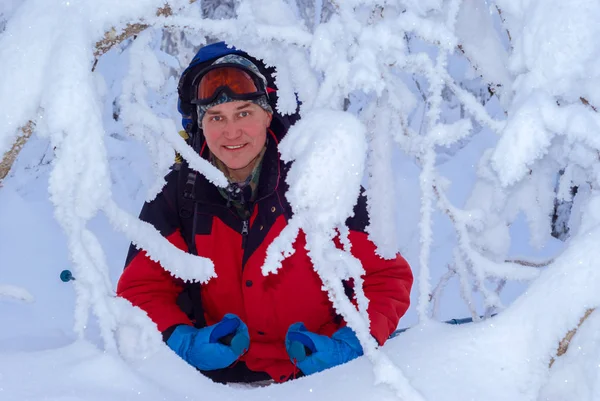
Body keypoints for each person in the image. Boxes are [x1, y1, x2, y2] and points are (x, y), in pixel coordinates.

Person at [117, 41, 413, 384]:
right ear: (200, 125)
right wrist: (182, 341)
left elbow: (386, 278)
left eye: (244, 113)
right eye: (216, 117)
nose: (231, 132)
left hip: (320, 381)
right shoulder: (178, 192)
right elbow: (141, 289)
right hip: (212, 386)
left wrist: (349, 344)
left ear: (268, 113)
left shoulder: (320, 178)